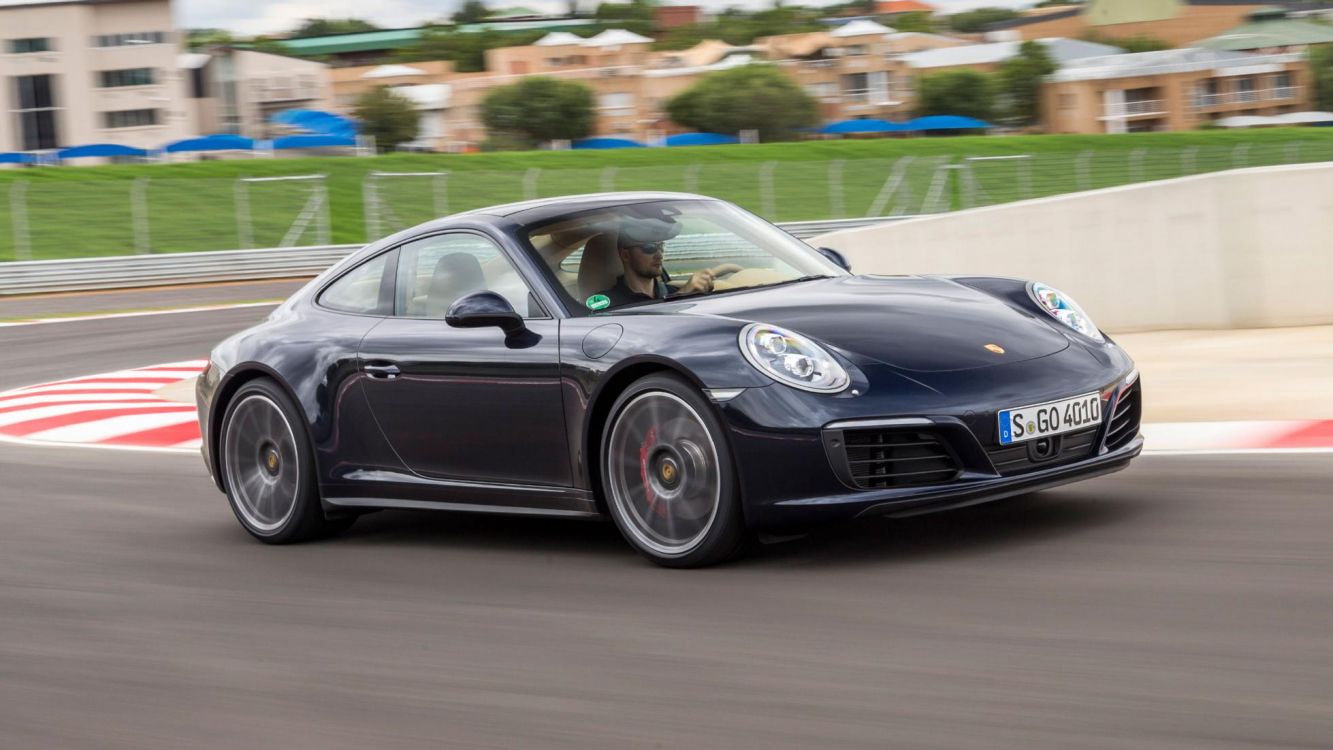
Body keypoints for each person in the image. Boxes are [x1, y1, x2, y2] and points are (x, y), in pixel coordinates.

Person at [597, 220, 740, 307]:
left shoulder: (671, 291)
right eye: (649, 248)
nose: (659, 255)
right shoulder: (606, 302)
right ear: (626, 255)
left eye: (661, 246)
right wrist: (682, 295)